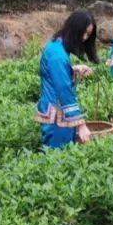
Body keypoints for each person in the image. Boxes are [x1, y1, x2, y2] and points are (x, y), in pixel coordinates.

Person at [36, 11, 100, 149]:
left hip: (57, 112)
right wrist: (81, 125)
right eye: (84, 33)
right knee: (58, 156)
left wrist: (72, 69)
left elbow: (54, 74)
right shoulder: (58, 55)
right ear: (74, 30)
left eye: (88, 35)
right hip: (57, 115)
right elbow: (64, 90)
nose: (84, 38)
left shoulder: (57, 46)